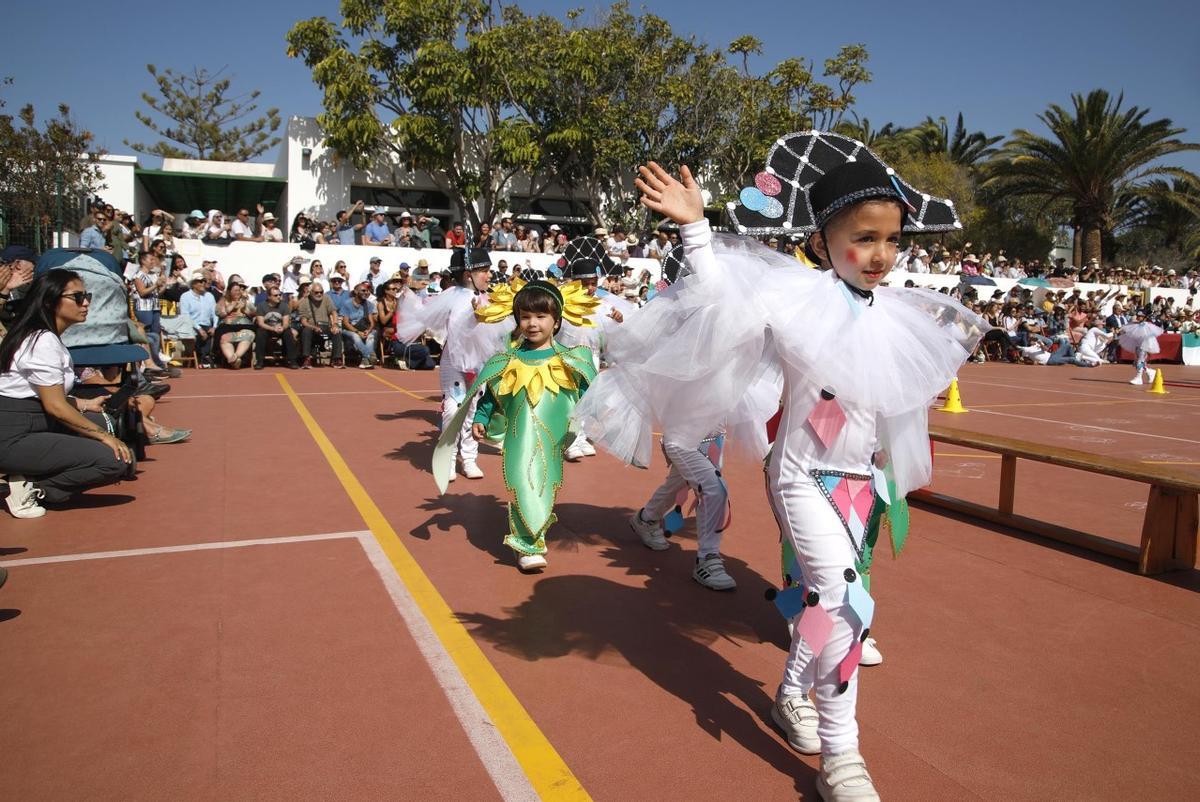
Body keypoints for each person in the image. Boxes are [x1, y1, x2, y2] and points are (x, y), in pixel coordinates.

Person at [577, 134, 985, 801]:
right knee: (849, 606)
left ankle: (789, 693)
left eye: (891, 239)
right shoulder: (796, 297)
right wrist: (697, 229)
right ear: (823, 242)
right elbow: (721, 299)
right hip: (801, 477)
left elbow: (895, 397)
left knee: (828, 603)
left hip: (860, 485)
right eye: (863, 238)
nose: (879, 254)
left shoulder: (898, 314)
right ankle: (843, 759)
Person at [434, 277, 598, 571]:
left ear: (556, 321)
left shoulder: (571, 359)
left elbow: (589, 392)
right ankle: (527, 544)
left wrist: (596, 410)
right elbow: (491, 392)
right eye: (525, 317)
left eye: (541, 316)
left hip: (554, 436)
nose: (532, 323)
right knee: (524, 477)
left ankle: (534, 532)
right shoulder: (507, 359)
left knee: (544, 483)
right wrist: (482, 418)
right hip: (519, 435)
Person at [0, 270, 134, 518]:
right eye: (78, 296)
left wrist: (84, 403)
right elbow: (55, 407)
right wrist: (105, 437)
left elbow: (30, 393)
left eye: (87, 296)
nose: (86, 303)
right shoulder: (42, 341)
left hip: (30, 419)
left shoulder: (42, 335)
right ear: (50, 301)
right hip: (12, 433)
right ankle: (31, 488)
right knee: (114, 459)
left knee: (117, 438)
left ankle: (27, 473)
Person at [395, 246, 496, 480]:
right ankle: (448, 458)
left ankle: (469, 458)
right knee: (452, 410)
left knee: (473, 410)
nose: (489, 276)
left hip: (477, 362)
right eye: (484, 271)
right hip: (453, 361)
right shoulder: (452, 296)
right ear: (467, 273)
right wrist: (410, 298)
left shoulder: (485, 298)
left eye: (489, 271)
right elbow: (427, 314)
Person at [296, 281, 344, 369]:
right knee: (306, 331)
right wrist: (314, 327)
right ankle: (307, 358)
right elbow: (304, 321)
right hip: (311, 327)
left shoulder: (327, 298)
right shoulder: (304, 302)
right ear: (311, 292)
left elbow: (333, 312)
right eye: (316, 292)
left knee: (337, 332)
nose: (319, 294)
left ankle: (336, 359)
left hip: (325, 326)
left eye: (321, 292)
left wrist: (335, 324)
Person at [178, 269, 217, 368]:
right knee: (199, 333)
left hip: (207, 325)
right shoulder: (185, 297)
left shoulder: (209, 296)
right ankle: (202, 359)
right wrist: (198, 328)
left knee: (215, 331)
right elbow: (185, 315)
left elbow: (215, 313)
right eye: (200, 281)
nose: (203, 283)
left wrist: (215, 326)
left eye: (204, 281)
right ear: (193, 284)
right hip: (191, 325)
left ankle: (206, 358)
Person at [253, 285, 299, 370]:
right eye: (276, 295)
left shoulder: (284, 305)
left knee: (288, 333)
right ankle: (260, 360)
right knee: (260, 332)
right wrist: (273, 328)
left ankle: (292, 360)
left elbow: (286, 322)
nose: (278, 297)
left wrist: (282, 327)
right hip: (267, 328)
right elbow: (261, 323)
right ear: (269, 296)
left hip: (280, 328)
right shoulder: (261, 306)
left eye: (279, 295)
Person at [215, 279, 256, 369]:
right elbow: (220, 313)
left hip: (244, 326)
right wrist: (232, 306)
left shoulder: (245, 301)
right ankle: (235, 360)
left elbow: (254, 313)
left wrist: (245, 310)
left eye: (239, 290)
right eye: (236, 290)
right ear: (230, 292)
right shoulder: (223, 300)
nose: (238, 292)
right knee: (224, 338)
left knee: (248, 335)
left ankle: (234, 357)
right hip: (227, 327)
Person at [341, 280, 378, 368]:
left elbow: (372, 323)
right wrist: (357, 332)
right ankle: (369, 356)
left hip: (364, 328)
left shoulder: (368, 304)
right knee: (355, 336)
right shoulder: (347, 304)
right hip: (350, 329)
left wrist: (368, 331)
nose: (366, 292)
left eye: (367, 291)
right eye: (363, 291)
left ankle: (366, 361)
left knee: (371, 337)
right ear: (356, 291)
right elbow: (345, 323)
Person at [1118, 312, 1162, 385]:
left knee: (1140, 362)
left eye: (1140, 316)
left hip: (1144, 346)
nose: (1138, 317)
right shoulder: (1135, 325)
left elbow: (1148, 337)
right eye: (1138, 316)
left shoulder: (1147, 326)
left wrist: (1148, 347)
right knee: (1137, 362)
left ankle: (1139, 377)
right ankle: (1150, 372)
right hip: (1138, 346)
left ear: (1144, 317)